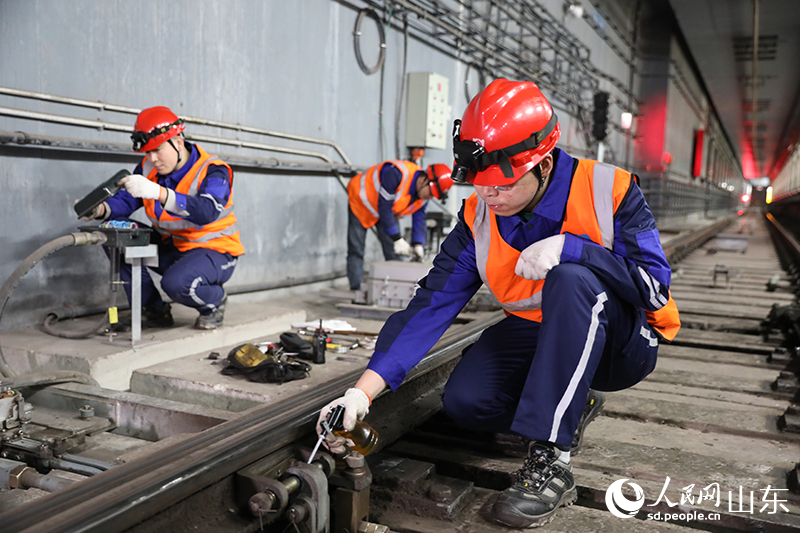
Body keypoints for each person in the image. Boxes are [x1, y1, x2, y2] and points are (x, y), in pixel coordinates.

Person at [318, 79, 680, 528]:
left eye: (502, 185)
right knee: (467, 402)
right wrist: (363, 390)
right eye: (480, 184)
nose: (489, 195)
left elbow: (655, 290)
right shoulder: (480, 216)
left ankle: (551, 462)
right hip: (537, 330)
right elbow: (431, 304)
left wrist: (576, 250)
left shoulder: (610, 190)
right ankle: (572, 405)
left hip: (619, 346)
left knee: (571, 279)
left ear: (543, 164)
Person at [81, 106, 244, 330]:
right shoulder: (148, 168)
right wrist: (101, 210)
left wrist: (159, 193)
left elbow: (207, 211)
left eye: (157, 150)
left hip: (215, 252)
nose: (152, 159)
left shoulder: (214, 170)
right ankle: (154, 309)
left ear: (177, 142)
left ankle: (214, 301)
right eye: (147, 153)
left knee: (177, 284)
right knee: (115, 233)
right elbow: (128, 201)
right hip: (172, 249)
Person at [346, 161, 453, 290]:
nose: (429, 197)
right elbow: (384, 207)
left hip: (385, 210)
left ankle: (395, 288)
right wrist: (397, 238)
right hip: (362, 201)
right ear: (424, 180)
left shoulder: (424, 195)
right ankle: (356, 288)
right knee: (356, 249)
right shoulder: (396, 174)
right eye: (430, 193)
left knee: (394, 253)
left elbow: (419, 217)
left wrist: (418, 244)